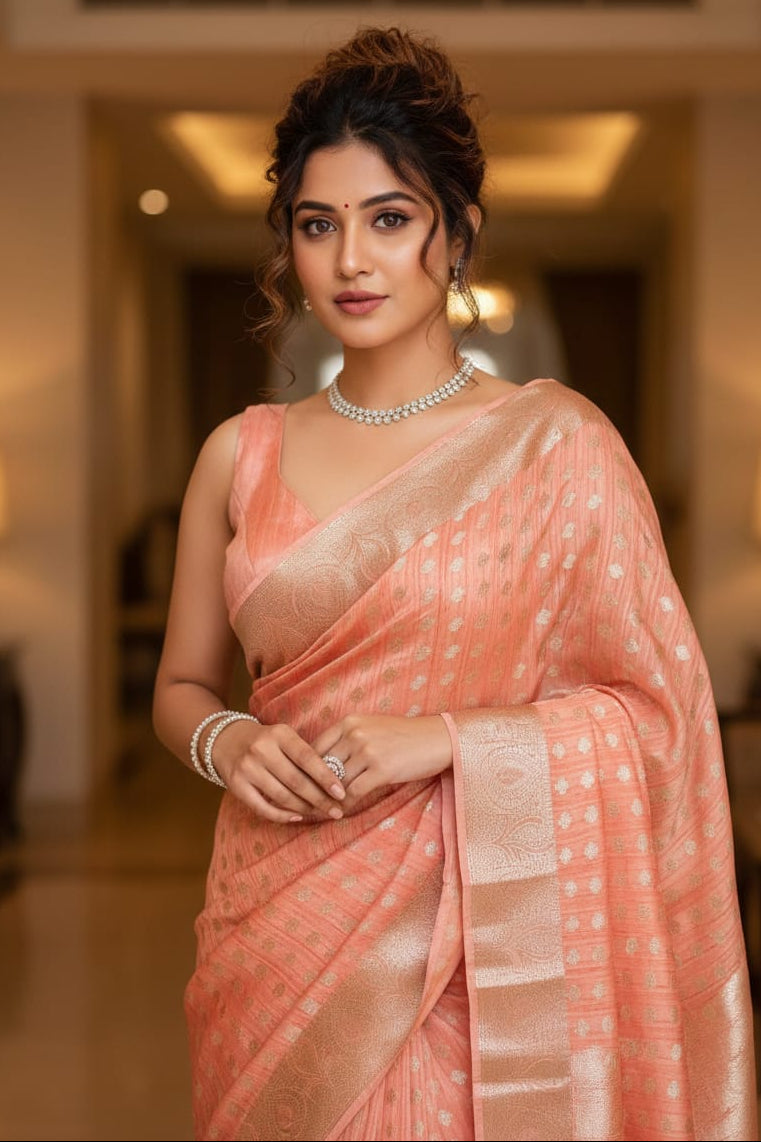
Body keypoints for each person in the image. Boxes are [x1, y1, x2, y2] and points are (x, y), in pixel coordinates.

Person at [152, 25, 758, 1142]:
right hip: (270, 923)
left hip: (474, 945)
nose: (349, 260)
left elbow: (653, 714)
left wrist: (446, 735)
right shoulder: (237, 454)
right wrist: (227, 742)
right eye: (316, 224)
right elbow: (183, 682)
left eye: (388, 220)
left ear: (457, 234)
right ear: (286, 243)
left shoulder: (556, 446)